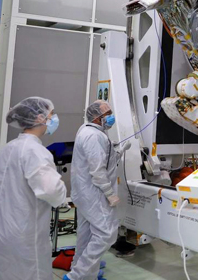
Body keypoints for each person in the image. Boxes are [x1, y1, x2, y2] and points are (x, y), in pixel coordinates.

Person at [0, 97, 66, 280]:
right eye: (52, 115)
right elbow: (52, 191)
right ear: (39, 118)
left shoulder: (8, 148)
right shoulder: (35, 151)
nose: (54, 118)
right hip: (23, 240)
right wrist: (62, 188)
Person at [66, 100, 120, 280]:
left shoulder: (88, 130)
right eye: (108, 114)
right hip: (94, 193)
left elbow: (100, 160)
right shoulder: (94, 136)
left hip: (83, 192)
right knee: (106, 233)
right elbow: (97, 171)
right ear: (97, 118)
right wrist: (110, 194)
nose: (111, 117)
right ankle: (78, 275)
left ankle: (82, 267)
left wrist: (117, 152)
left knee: (86, 233)